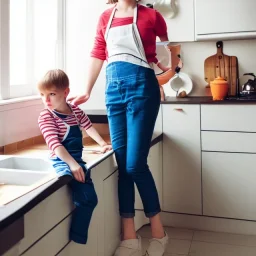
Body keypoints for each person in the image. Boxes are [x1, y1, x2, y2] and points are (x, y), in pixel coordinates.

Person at [69, 0, 170, 255]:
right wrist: (87, 90)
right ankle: (129, 235)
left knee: (135, 164)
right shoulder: (105, 16)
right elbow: (98, 53)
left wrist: (162, 79)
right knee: (123, 165)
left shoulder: (152, 15)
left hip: (143, 90)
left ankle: (159, 231)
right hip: (113, 92)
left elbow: (169, 55)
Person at [37, 69, 112, 245]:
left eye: (52, 94)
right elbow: (55, 145)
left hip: (76, 160)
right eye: (42, 95)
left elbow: (89, 127)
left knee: (89, 199)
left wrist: (102, 144)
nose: (46, 100)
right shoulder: (46, 116)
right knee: (67, 178)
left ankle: (77, 237)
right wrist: (72, 165)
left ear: (66, 92)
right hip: (60, 160)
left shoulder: (76, 111)